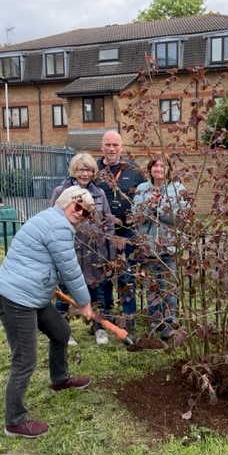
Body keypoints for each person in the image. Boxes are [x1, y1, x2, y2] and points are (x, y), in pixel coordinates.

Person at [0, 186, 97, 439]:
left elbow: (46, 260)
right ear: (66, 201)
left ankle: (60, 380)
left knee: (60, 331)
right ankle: (14, 421)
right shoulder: (58, 225)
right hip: (16, 299)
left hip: (31, 295)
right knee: (25, 360)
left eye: (87, 213)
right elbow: (69, 268)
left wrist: (50, 279)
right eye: (78, 206)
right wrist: (84, 303)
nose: (80, 214)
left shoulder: (50, 218)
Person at [50, 153, 117, 346]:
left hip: (94, 251)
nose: (84, 173)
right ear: (74, 171)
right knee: (65, 291)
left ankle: (99, 328)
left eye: (88, 169)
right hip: (69, 249)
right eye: (80, 169)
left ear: (93, 172)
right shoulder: (61, 191)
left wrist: (109, 251)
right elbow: (52, 219)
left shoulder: (99, 194)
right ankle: (63, 331)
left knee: (98, 292)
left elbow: (108, 223)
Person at [132, 157, 189, 340]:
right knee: (152, 286)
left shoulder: (178, 189)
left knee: (168, 286)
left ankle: (170, 322)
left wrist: (160, 207)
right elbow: (136, 216)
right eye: (155, 165)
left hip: (169, 246)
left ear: (169, 169)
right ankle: (155, 320)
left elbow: (180, 217)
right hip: (148, 246)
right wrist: (149, 205)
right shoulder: (142, 189)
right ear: (150, 169)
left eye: (162, 165)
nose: (158, 168)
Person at [96, 130, 146, 333]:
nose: (111, 149)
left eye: (115, 145)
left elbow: (144, 198)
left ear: (122, 148)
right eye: (108, 145)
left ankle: (128, 321)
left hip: (127, 233)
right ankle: (104, 320)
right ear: (102, 147)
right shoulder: (94, 170)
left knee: (127, 278)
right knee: (102, 277)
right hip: (100, 234)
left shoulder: (133, 170)